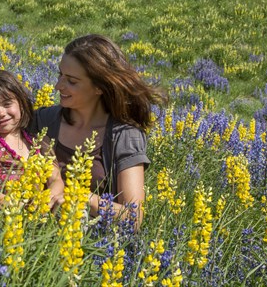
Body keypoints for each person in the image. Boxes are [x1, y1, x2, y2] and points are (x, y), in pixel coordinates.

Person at [31, 34, 167, 226]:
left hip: (90, 248)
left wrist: (77, 197)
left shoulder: (123, 135)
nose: (58, 86)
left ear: (99, 87)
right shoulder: (43, 120)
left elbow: (134, 218)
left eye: (71, 81)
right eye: (60, 75)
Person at [0, 69, 65, 210]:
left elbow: (56, 179)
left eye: (7, 104)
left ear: (22, 104)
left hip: (36, 214)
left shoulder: (39, 141)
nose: (0, 113)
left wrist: (47, 198)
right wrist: (4, 202)